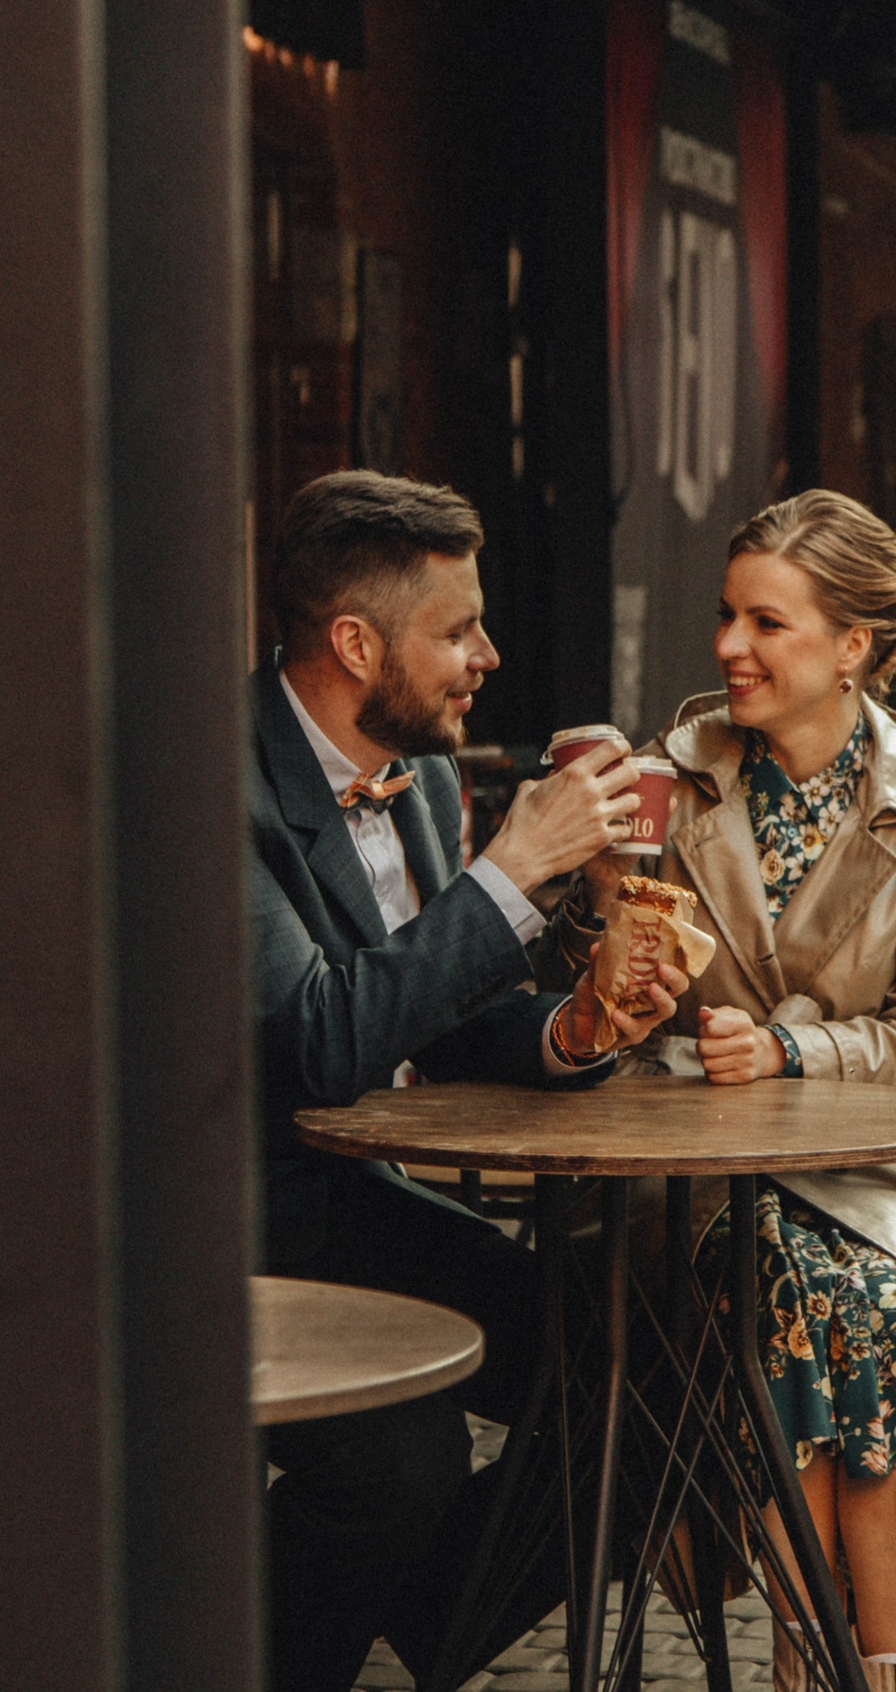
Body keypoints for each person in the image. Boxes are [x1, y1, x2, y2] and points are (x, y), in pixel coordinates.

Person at [544, 489, 896, 1692]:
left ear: (852, 647)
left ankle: (877, 1674)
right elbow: (575, 998)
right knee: (794, 1280)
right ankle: (817, 1660)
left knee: (880, 1300)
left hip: (875, 1172)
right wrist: (590, 889)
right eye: (729, 618)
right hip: (684, 1171)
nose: (730, 647)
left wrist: (798, 1053)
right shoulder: (666, 787)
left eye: (767, 623)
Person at [251, 470, 687, 1692]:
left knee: (638, 1374)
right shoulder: (214, 787)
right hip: (223, 1232)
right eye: (456, 630)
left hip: (353, 1208)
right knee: (401, 1462)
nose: (485, 656)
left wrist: (580, 1025)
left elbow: (450, 1023)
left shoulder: (423, 773)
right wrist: (514, 872)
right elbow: (320, 1041)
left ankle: (441, 1616)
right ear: (353, 642)